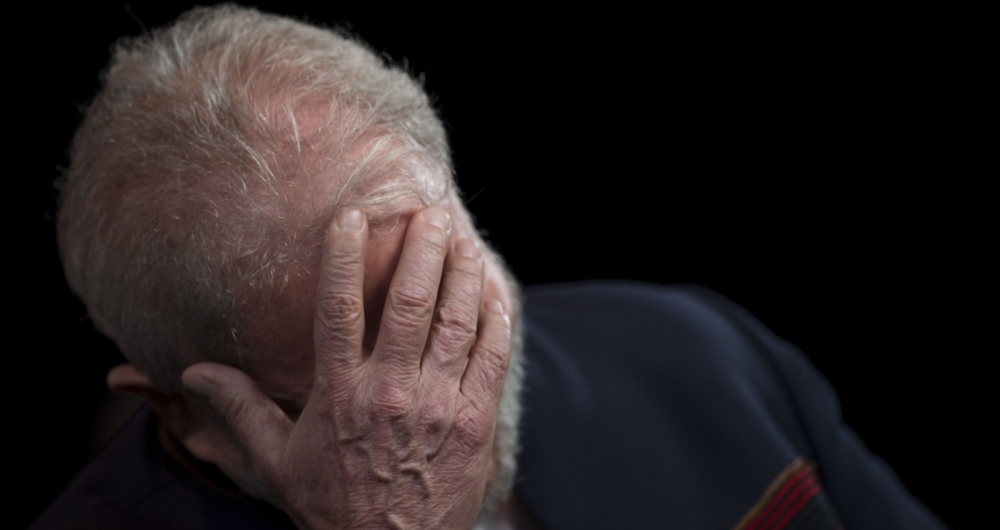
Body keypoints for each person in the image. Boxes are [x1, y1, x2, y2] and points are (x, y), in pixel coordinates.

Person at [34, 5, 946, 529]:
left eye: (445, 279)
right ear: (185, 412)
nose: (443, 395)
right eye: (363, 364)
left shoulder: (695, 352)